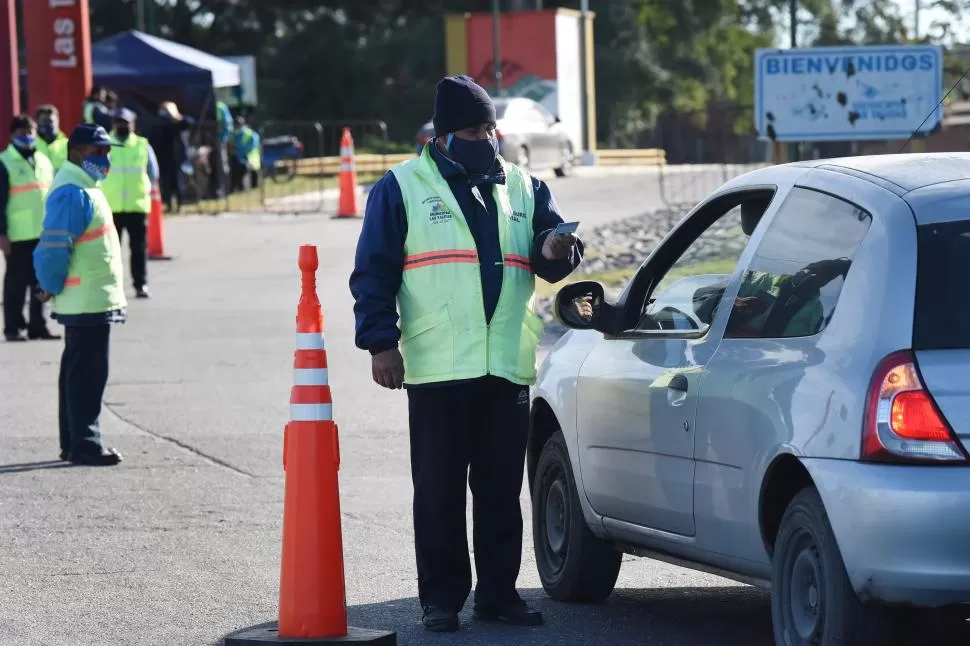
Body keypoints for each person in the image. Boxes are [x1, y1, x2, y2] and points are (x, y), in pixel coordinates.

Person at [349, 75, 584, 633]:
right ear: (448, 135)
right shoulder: (402, 187)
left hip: (504, 365)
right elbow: (372, 273)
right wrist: (381, 343)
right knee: (439, 494)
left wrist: (558, 248)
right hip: (437, 368)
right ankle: (441, 599)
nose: (490, 136)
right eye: (478, 129)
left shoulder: (523, 186)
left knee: (502, 492)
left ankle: (499, 594)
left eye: (491, 126)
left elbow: (550, 252)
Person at [33, 123, 126, 467]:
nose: (104, 158)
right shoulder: (73, 192)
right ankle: (85, 444)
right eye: (96, 152)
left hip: (89, 299)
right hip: (86, 300)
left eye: (106, 151)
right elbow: (53, 247)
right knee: (87, 374)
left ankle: (74, 441)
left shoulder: (85, 187)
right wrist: (49, 284)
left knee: (78, 370)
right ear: (76, 153)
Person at [0, 114, 58, 341]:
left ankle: (38, 326)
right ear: (12, 135)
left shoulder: (43, 160)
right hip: (18, 234)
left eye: (30, 132)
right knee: (16, 283)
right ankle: (13, 327)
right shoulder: (4, 162)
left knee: (41, 282)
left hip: (43, 233)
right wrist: (2, 234)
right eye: (21, 133)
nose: (27, 136)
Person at [100, 108, 159, 299]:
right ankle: (111, 285)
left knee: (139, 249)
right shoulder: (104, 145)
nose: (122, 126)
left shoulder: (142, 145)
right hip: (112, 207)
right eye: (118, 122)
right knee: (110, 250)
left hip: (136, 205)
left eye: (125, 122)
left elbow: (153, 173)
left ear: (133, 124)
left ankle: (140, 284)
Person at [230, 115, 261, 191]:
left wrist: (245, 152)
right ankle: (241, 188)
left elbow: (254, 144)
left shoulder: (249, 133)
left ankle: (251, 187)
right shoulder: (234, 134)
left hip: (249, 156)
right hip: (240, 157)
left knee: (252, 173)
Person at [35, 105, 69, 171]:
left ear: (57, 121)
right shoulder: (31, 145)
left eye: (51, 121)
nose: (48, 124)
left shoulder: (67, 144)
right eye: (44, 121)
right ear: (38, 122)